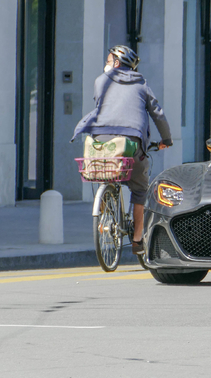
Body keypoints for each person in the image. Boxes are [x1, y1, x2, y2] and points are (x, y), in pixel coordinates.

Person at [72, 45, 173, 254]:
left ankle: (104, 215)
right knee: (140, 189)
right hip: (130, 141)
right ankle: (137, 239)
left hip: (101, 139)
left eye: (108, 61)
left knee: (106, 172)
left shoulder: (100, 81)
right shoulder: (142, 84)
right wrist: (166, 139)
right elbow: (158, 114)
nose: (106, 64)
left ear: (116, 63)